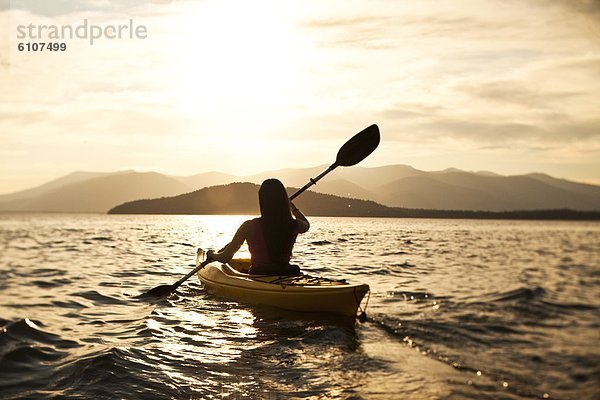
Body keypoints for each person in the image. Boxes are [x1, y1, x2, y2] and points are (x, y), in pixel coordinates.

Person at [206, 178, 310, 275]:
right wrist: (292, 206)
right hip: (287, 273)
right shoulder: (294, 224)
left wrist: (212, 254)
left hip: (259, 274)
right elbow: (306, 224)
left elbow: (225, 257)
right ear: (284, 200)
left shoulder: (249, 226)